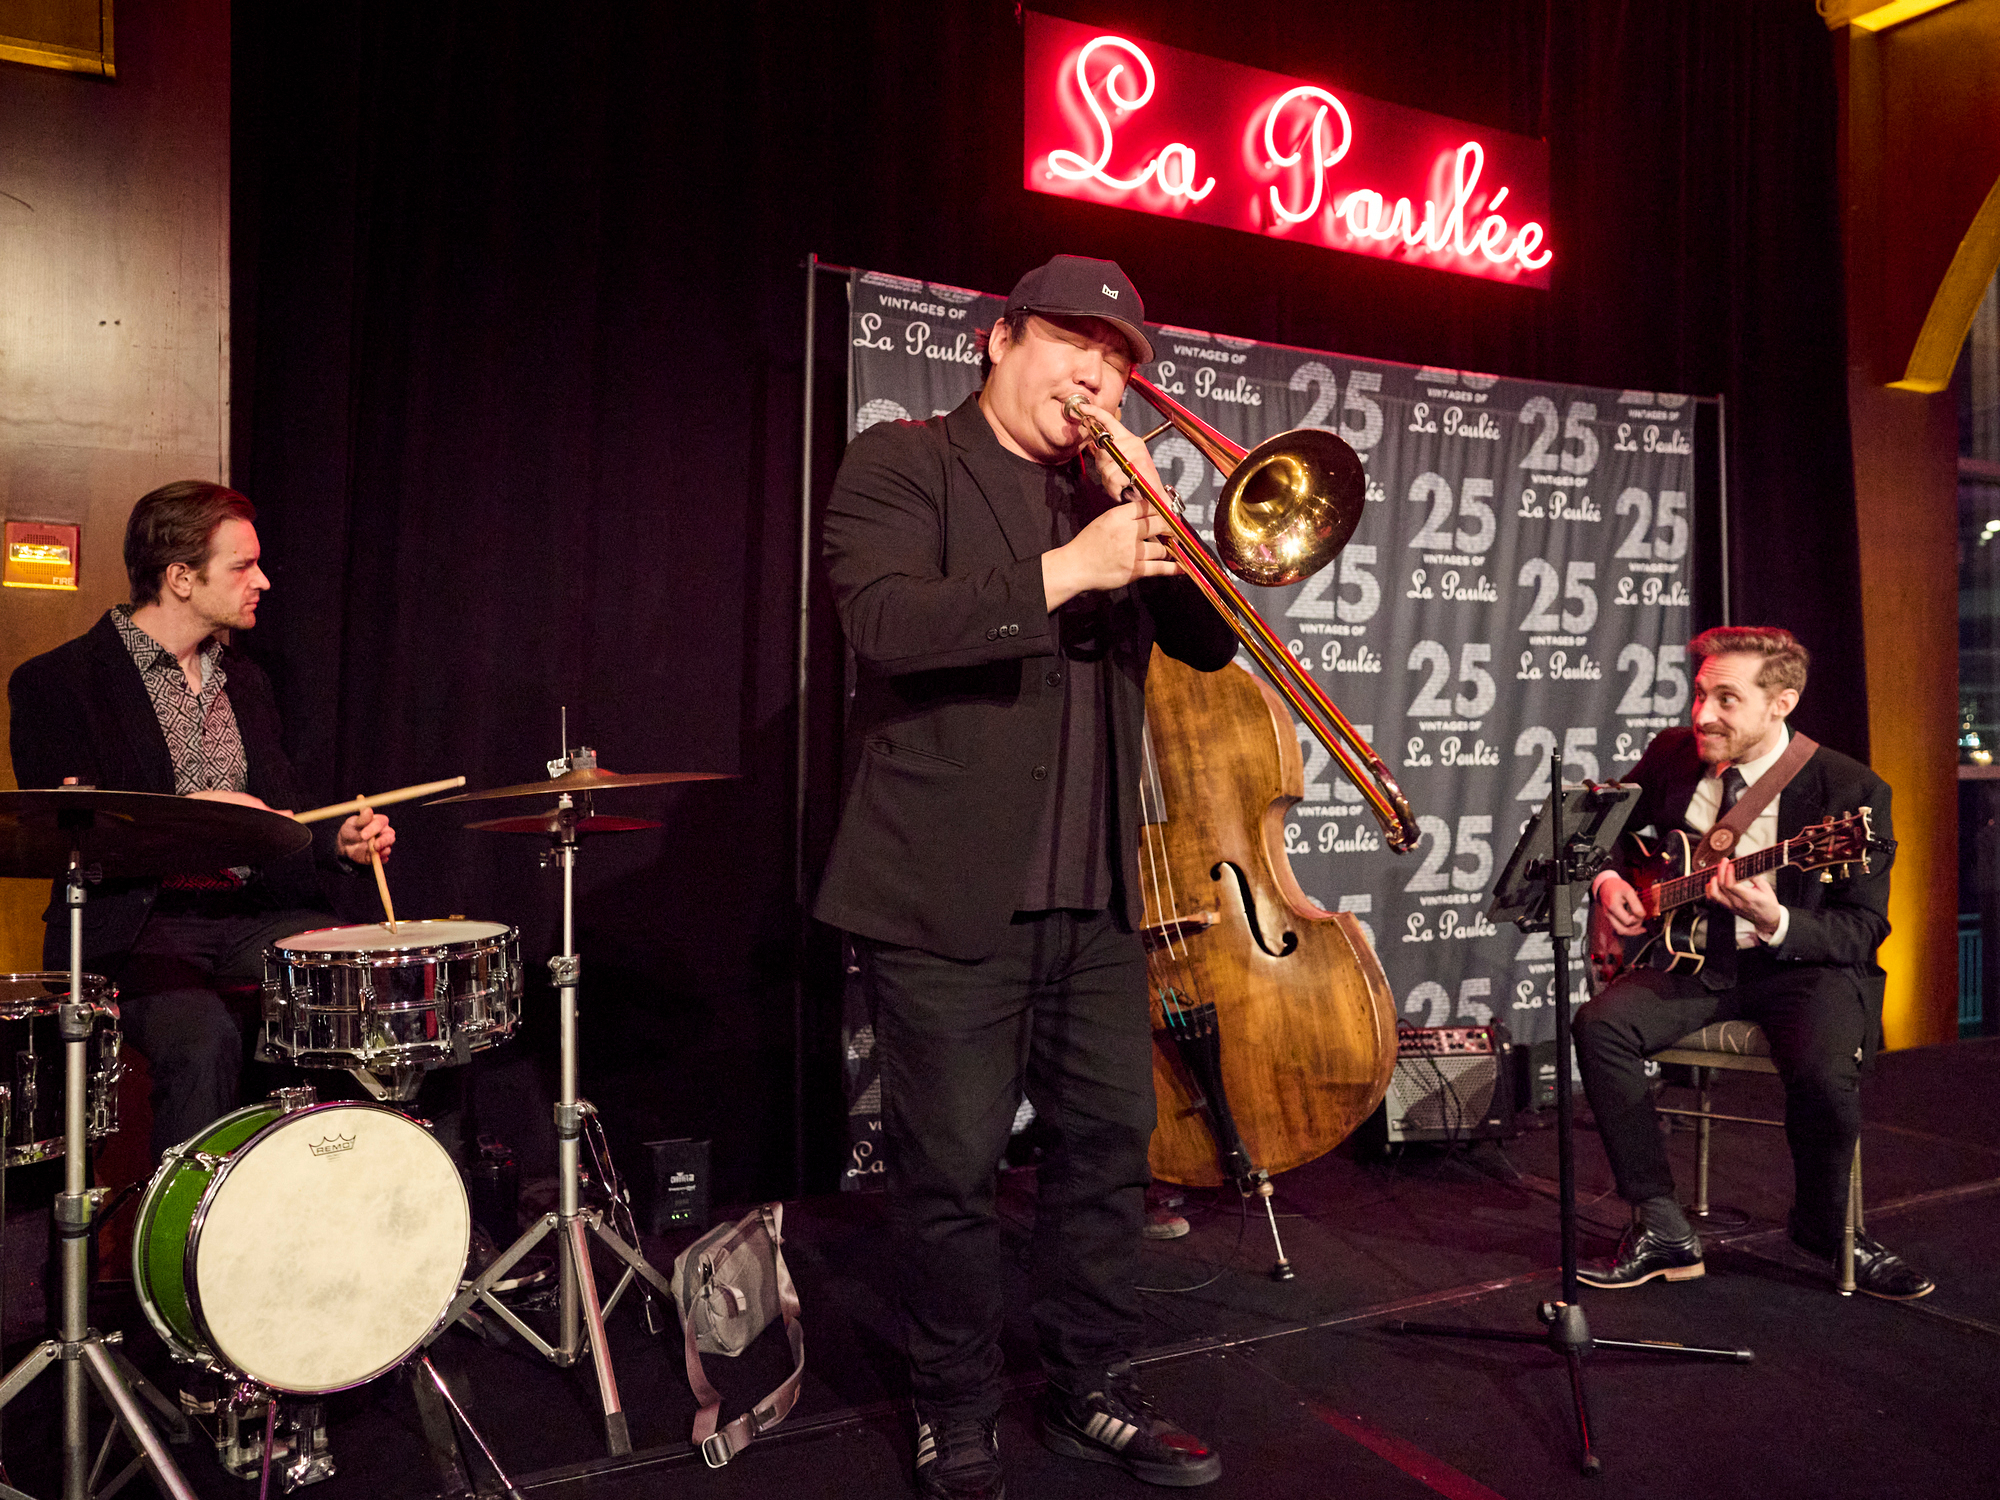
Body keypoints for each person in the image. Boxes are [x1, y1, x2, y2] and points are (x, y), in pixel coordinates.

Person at [815, 255, 1237, 1499]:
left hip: (1096, 901)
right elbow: (884, 624)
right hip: (944, 899)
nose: (1098, 375)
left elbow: (1210, 645)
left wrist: (1160, 519)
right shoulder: (903, 462)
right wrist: (1072, 570)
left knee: (1105, 1153)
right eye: (1074, 343)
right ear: (1000, 341)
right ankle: (951, 1407)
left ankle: (1089, 1385)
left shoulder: (1104, 494)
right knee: (946, 1172)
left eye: (1120, 361)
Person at [9, 480, 393, 1156]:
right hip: (139, 924)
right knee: (204, 1036)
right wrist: (195, 819)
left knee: (364, 975)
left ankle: (340, 1206)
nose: (264, 582)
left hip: (248, 911)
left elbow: (278, 817)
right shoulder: (58, 683)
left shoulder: (245, 679)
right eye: (243, 566)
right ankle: (189, 1247)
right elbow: (67, 835)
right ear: (181, 577)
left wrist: (337, 841)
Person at [1576, 625, 1931, 1300]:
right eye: (1700, 694)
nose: (1702, 715)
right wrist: (1610, 884)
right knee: (1600, 1026)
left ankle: (1827, 1229)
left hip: (1801, 969)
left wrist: (1778, 919)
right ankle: (1662, 1225)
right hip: (1696, 961)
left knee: (1826, 1076)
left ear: (1782, 702)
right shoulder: (1674, 754)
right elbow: (1599, 836)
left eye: (1726, 700)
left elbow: (1862, 929)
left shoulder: (1848, 791)